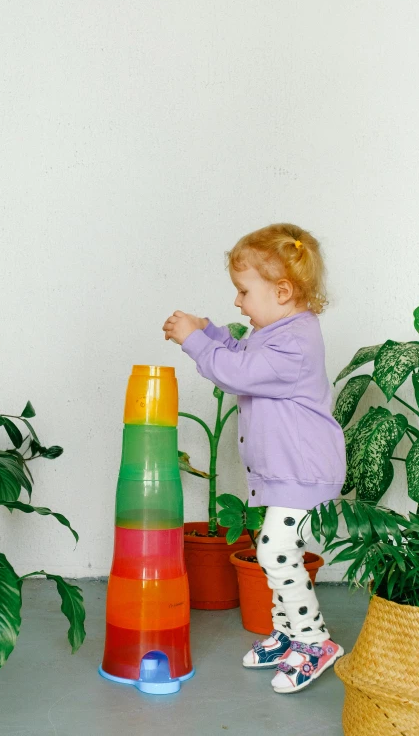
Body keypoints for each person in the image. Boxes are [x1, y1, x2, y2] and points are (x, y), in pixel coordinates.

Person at [162, 223, 347, 694]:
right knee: (275, 550)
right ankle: (288, 635)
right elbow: (242, 354)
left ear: (282, 291)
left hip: (303, 473)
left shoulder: (296, 342)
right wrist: (212, 332)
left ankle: (314, 641)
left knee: (274, 551)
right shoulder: (277, 332)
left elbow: (236, 373)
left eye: (244, 292)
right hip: (285, 472)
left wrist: (194, 341)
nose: (239, 302)